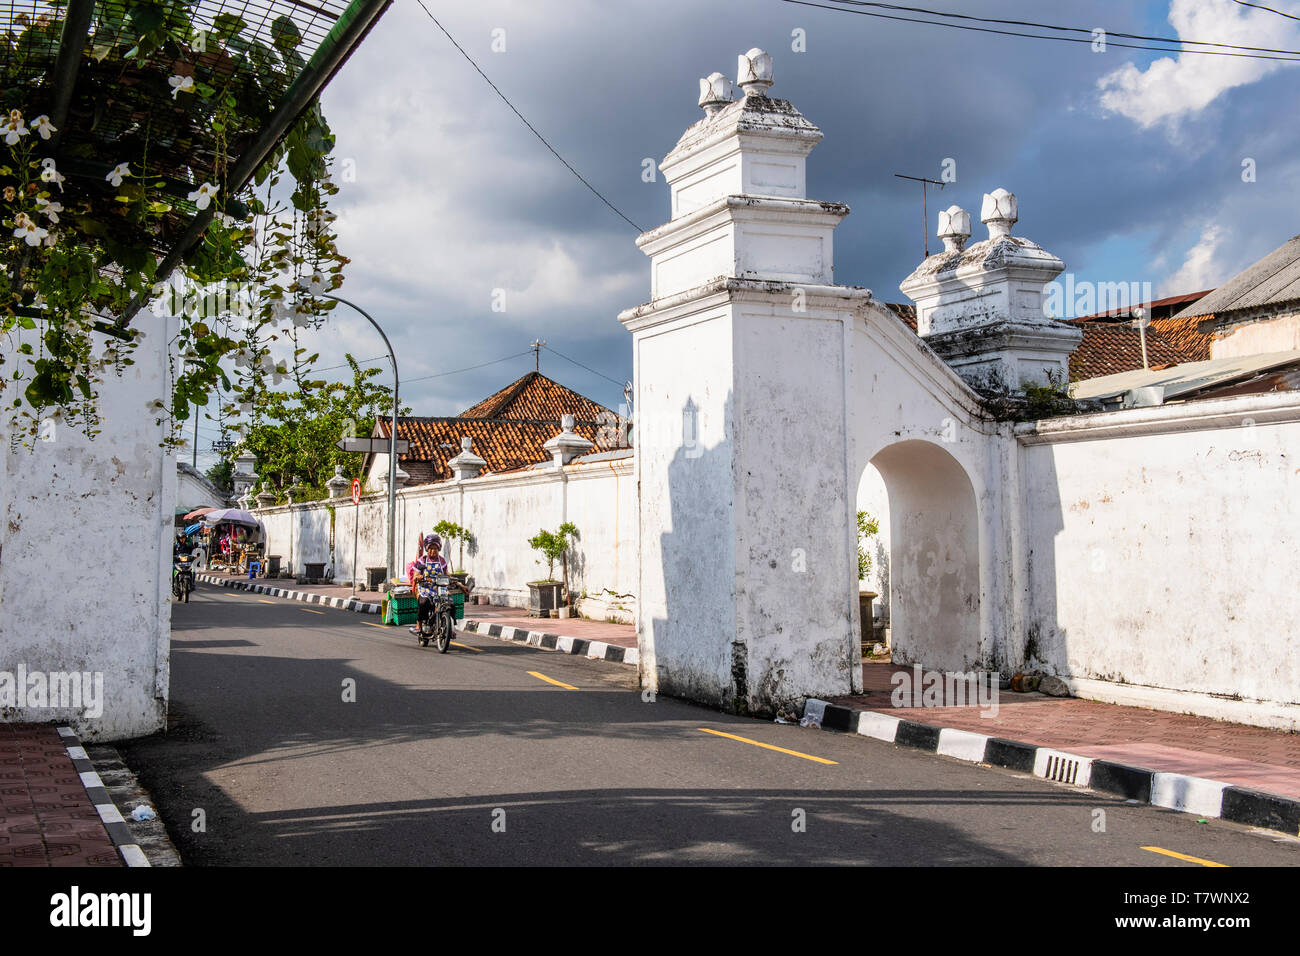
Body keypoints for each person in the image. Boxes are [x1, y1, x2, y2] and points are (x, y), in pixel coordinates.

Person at [409, 534, 450, 634]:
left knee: (450, 604)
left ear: (439, 548)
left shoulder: (442, 561)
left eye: (435, 548)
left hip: (440, 589)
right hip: (425, 590)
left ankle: (450, 627)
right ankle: (418, 624)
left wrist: (452, 579)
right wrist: (418, 576)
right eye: (431, 548)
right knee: (423, 603)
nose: (433, 551)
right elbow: (415, 574)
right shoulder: (422, 560)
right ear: (427, 549)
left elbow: (447, 574)